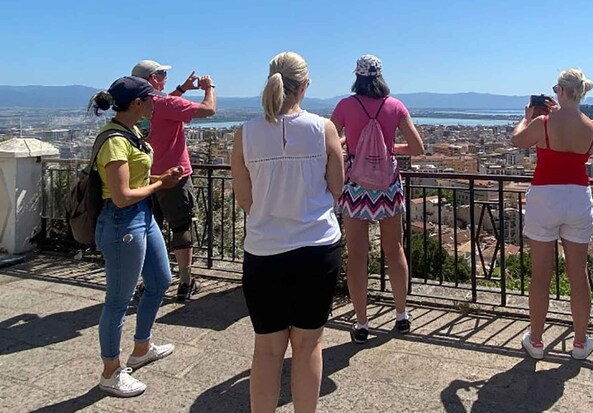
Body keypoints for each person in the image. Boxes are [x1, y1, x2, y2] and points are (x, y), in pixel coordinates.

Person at [231, 52, 344, 413]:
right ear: (305, 86)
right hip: (316, 248)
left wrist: (272, 212)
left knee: (266, 349)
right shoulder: (323, 128)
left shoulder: (244, 134)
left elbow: (244, 199)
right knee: (308, 346)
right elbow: (338, 188)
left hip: (264, 251)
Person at [89, 76, 184, 397]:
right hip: (122, 222)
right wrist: (162, 185)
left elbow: (135, 179)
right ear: (137, 104)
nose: (156, 103)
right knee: (118, 300)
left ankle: (141, 346)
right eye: (151, 98)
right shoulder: (114, 140)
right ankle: (110, 371)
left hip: (140, 215)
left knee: (160, 280)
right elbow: (120, 195)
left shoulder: (130, 133)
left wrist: (159, 178)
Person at [331, 54, 424, 343]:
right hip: (388, 185)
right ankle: (401, 315)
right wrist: (387, 147)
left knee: (357, 255)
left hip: (356, 186)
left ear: (357, 76)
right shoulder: (395, 106)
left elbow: (328, 140)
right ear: (381, 76)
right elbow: (417, 147)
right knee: (394, 250)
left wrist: (351, 144)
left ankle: (361, 322)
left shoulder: (346, 105)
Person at [511, 68, 593, 361]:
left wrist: (527, 117)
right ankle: (580, 342)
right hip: (578, 196)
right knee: (578, 273)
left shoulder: (543, 123)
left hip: (545, 195)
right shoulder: (592, 126)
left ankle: (535, 341)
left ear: (560, 91)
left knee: (541, 274)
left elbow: (518, 140)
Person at [131, 59, 216, 301]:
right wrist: (209, 87)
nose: (165, 77)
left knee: (149, 228)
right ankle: (185, 282)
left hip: (145, 177)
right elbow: (208, 110)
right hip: (175, 175)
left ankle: (150, 281)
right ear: (152, 79)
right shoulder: (166, 103)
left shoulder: (135, 105)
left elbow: (161, 106)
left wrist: (181, 89)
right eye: (162, 74)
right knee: (181, 227)